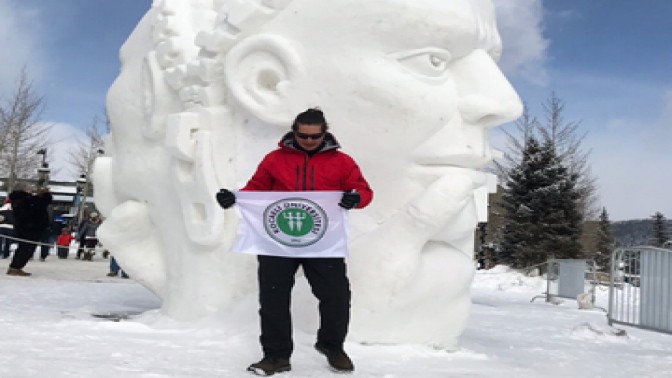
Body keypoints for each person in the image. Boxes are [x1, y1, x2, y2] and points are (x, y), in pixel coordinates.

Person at [217, 108, 373, 375]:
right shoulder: (275, 159)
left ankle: (332, 346)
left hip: (323, 243)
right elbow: (257, 188)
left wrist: (355, 198)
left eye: (315, 136)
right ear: (293, 131)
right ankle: (276, 356)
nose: (309, 141)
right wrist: (235, 197)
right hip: (277, 241)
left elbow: (364, 190)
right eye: (303, 136)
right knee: (273, 299)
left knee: (336, 297)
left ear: (325, 133)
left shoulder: (343, 162)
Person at [7, 184, 52, 276]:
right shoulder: (26, 200)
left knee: (25, 248)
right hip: (29, 228)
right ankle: (15, 267)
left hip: (27, 228)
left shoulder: (21, 200)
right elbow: (42, 202)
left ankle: (16, 267)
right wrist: (45, 194)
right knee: (26, 249)